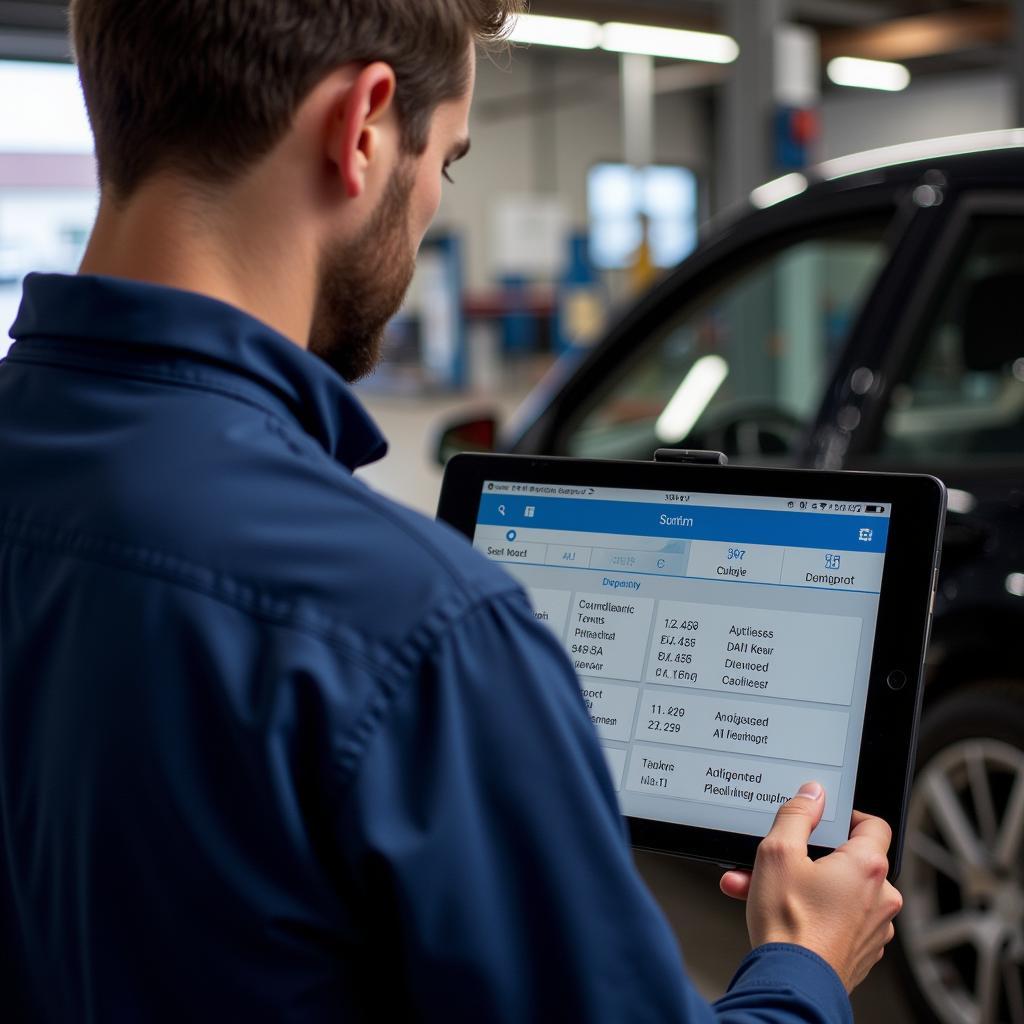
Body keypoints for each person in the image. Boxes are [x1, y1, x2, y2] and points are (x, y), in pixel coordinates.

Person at [0, 1, 902, 1021]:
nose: (432, 199)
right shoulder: (410, 628)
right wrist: (802, 963)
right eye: (449, 162)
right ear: (365, 127)